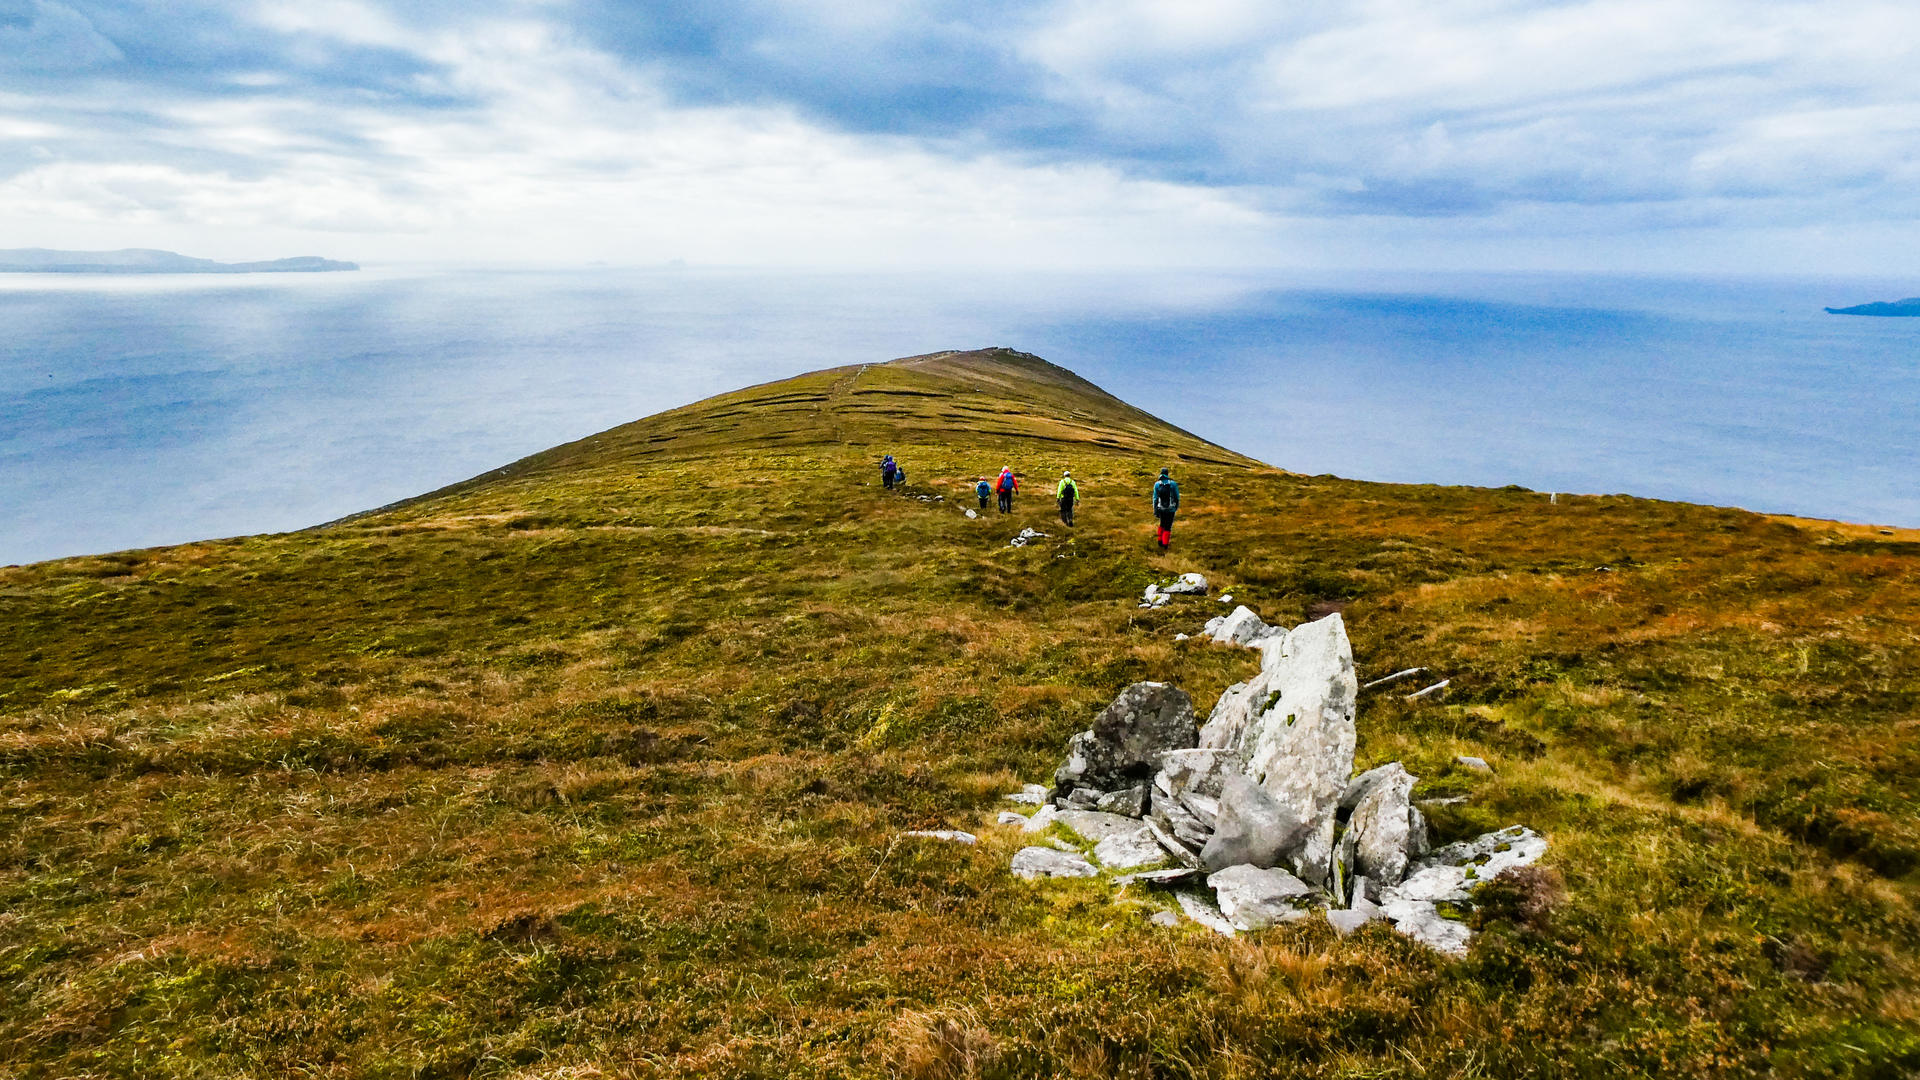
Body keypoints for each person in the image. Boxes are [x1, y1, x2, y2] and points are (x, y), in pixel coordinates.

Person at [1151, 467, 1180, 549]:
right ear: (1167, 474)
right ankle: (1165, 544)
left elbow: (1155, 498)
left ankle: (1160, 540)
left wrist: (1155, 509)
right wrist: (1176, 506)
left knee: (1162, 524)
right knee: (1168, 526)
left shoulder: (1157, 484)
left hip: (1161, 509)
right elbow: (1177, 497)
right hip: (1171, 509)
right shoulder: (1173, 484)